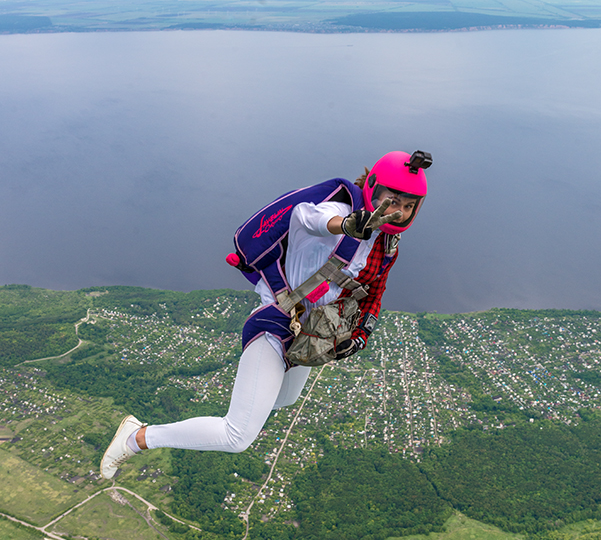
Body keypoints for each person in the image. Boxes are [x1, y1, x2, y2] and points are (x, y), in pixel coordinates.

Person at [100, 150, 431, 480]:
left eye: (408, 206)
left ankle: (247, 401)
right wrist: (346, 225)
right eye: (392, 201)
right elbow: (310, 217)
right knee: (237, 436)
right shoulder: (340, 212)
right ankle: (136, 437)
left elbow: (374, 290)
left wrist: (361, 335)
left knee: (286, 398)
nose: (398, 211)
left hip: (310, 333)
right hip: (276, 321)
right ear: (373, 189)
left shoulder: (387, 243)